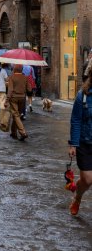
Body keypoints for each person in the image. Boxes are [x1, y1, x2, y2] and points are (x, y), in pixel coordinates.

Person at [68, 61, 92, 215]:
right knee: (88, 180)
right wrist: (73, 144)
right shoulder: (83, 95)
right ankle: (77, 197)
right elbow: (75, 120)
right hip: (85, 143)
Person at [5, 64, 31, 141]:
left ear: (14, 69)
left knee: (16, 115)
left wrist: (7, 100)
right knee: (17, 115)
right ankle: (13, 133)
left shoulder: (12, 77)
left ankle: (23, 132)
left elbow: (10, 90)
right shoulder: (25, 77)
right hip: (22, 98)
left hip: (13, 98)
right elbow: (29, 89)